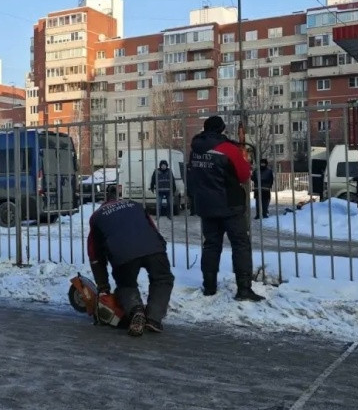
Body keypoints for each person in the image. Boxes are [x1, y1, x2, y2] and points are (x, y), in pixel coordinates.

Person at [187, 116, 265, 302]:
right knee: (240, 245)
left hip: (206, 205)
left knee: (211, 245)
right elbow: (244, 174)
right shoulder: (228, 149)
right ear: (222, 129)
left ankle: (209, 287)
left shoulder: (195, 149)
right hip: (230, 204)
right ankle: (244, 289)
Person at [87, 186, 175, 337]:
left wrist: (103, 286)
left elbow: (95, 255)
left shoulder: (97, 216)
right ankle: (153, 318)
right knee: (163, 279)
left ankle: (136, 311)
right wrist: (160, 249)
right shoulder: (135, 205)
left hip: (123, 254)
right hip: (153, 247)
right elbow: (152, 228)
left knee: (126, 285)